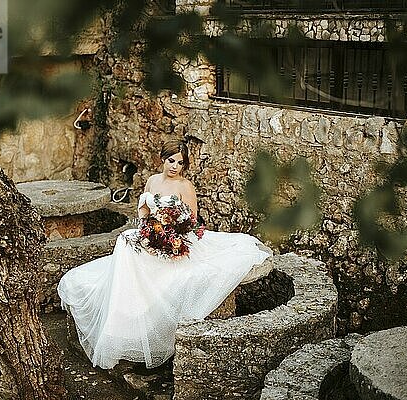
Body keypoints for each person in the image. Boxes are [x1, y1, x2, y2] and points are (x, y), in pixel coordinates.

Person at [57, 140, 271, 369]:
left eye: (180, 163)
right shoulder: (152, 180)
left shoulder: (185, 186)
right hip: (152, 233)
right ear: (162, 159)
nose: (175, 167)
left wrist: (168, 238)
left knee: (147, 261)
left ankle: (136, 322)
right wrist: (148, 228)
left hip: (175, 238)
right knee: (125, 242)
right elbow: (145, 211)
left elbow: (191, 221)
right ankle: (121, 324)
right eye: (171, 161)